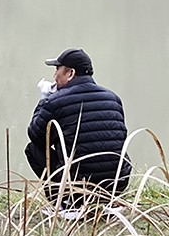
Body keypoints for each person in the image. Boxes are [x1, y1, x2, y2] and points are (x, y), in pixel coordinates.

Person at [25, 48, 132, 214]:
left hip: (77, 185)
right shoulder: (113, 98)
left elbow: (36, 136)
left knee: (32, 149)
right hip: (116, 183)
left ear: (70, 73)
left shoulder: (55, 102)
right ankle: (106, 200)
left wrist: (44, 101)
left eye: (57, 70)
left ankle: (65, 203)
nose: (54, 76)